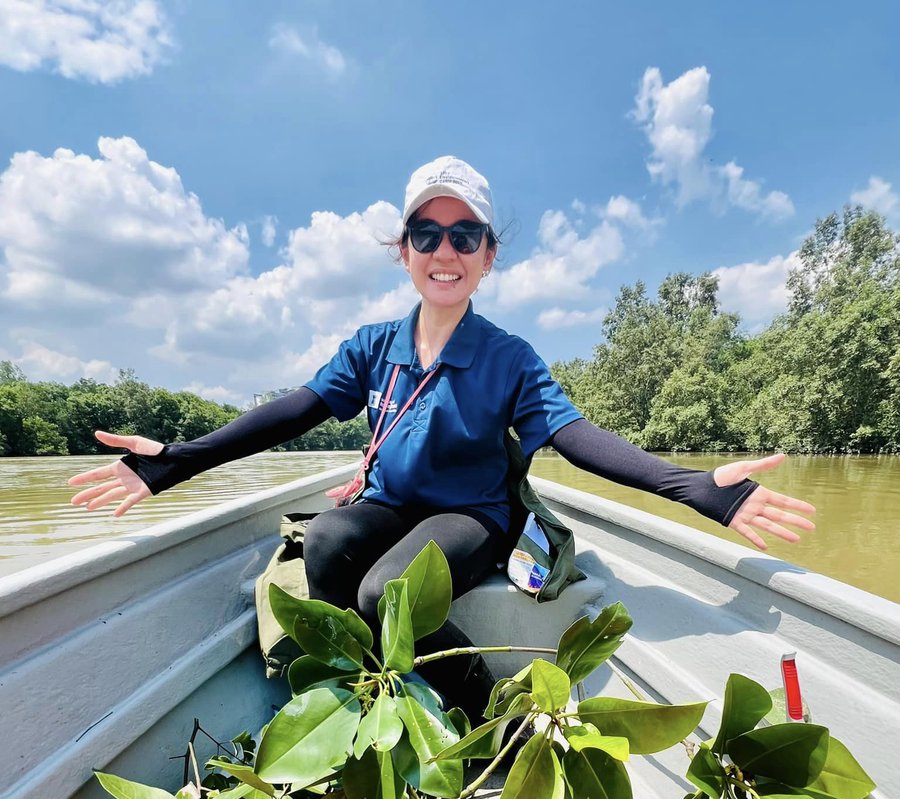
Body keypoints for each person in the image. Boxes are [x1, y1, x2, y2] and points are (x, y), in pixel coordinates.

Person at [69, 156, 815, 711]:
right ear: (404, 252)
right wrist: (177, 463)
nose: (444, 250)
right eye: (426, 233)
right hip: (391, 501)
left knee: (390, 588)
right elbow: (294, 410)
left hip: (472, 516)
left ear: (488, 257)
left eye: (465, 235)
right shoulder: (371, 346)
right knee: (326, 542)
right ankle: (361, 686)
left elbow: (573, 434)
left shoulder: (509, 357)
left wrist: (694, 489)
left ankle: (468, 708)